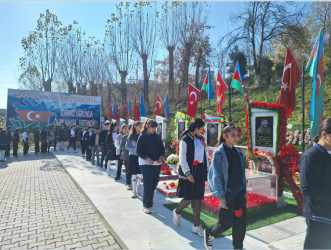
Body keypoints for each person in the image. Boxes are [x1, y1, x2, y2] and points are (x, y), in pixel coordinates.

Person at [204, 125, 247, 250]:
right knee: (225, 223)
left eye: (236, 135)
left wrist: (244, 191)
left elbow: (241, 174)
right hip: (227, 195)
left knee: (240, 225)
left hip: (239, 194)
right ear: (224, 136)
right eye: (232, 135)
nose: (236, 137)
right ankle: (210, 232)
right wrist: (220, 197)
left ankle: (238, 248)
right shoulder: (219, 154)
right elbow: (215, 176)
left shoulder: (238, 153)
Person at [173, 118, 208, 237]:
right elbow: (182, 158)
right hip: (189, 172)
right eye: (201, 128)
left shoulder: (199, 140)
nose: (203, 130)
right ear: (196, 128)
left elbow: (204, 156)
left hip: (199, 172)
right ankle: (177, 211)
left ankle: (196, 226)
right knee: (190, 198)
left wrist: (206, 171)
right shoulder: (185, 139)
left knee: (198, 198)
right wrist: (188, 173)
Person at [300, 119, 331, 249]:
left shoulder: (326, 153)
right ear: (324, 134)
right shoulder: (311, 156)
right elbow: (307, 188)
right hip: (318, 215)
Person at [137, 119, 165, 214]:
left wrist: (161, 157)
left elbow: (162, 148)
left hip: (156, 163)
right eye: (152, 127)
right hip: (145, 163)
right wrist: (147, 158)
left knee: (155, 182)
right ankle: (146, 205)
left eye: (155, 127)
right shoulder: (142, 136)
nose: (154, 129)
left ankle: (149, 197)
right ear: (148, 126)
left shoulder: (157, 136)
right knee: (148, 182)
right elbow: (138, 150)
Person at [126, 121, 143, 198]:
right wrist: (133, 149)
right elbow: (126, 146)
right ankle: (133, 192)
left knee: (141, 174)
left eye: (141, 126)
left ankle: (138, 186)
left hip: (141, 157)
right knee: (133, 174)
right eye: (139, 126)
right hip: (133, 156)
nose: (141, 128)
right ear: (135, 127)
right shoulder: (130, 136)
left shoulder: (143, 135)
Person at [119, 124, 131, 189]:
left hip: (133, 156)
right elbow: (121, 146)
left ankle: (131, 180)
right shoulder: (124, 137)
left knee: (132, 170)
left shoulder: (136, 137)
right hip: (126, 156)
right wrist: (128, 148)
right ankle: (128, 182)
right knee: (128, 170)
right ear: (128, 130)